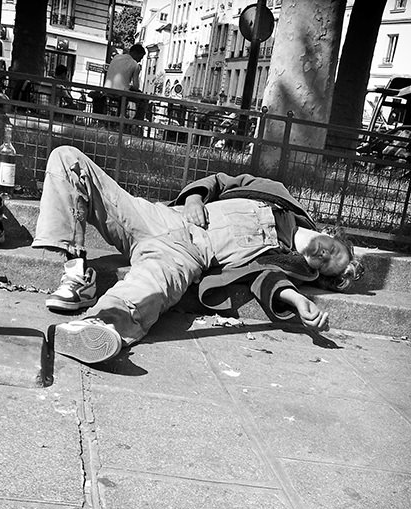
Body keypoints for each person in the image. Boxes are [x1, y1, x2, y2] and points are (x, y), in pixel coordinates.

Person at [34, 146, 364, 365]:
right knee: (68, 159)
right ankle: (77, 272)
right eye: (331, 250)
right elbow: (221, 180)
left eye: (324, 263)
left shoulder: (287, 261)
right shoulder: (278, 196)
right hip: (158, 216)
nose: (322, 254)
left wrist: (295, 300)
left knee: (149, 287)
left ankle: (98, 328)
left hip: (184, 254)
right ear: (332, 235)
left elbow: (267, 279)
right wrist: (194, 197)